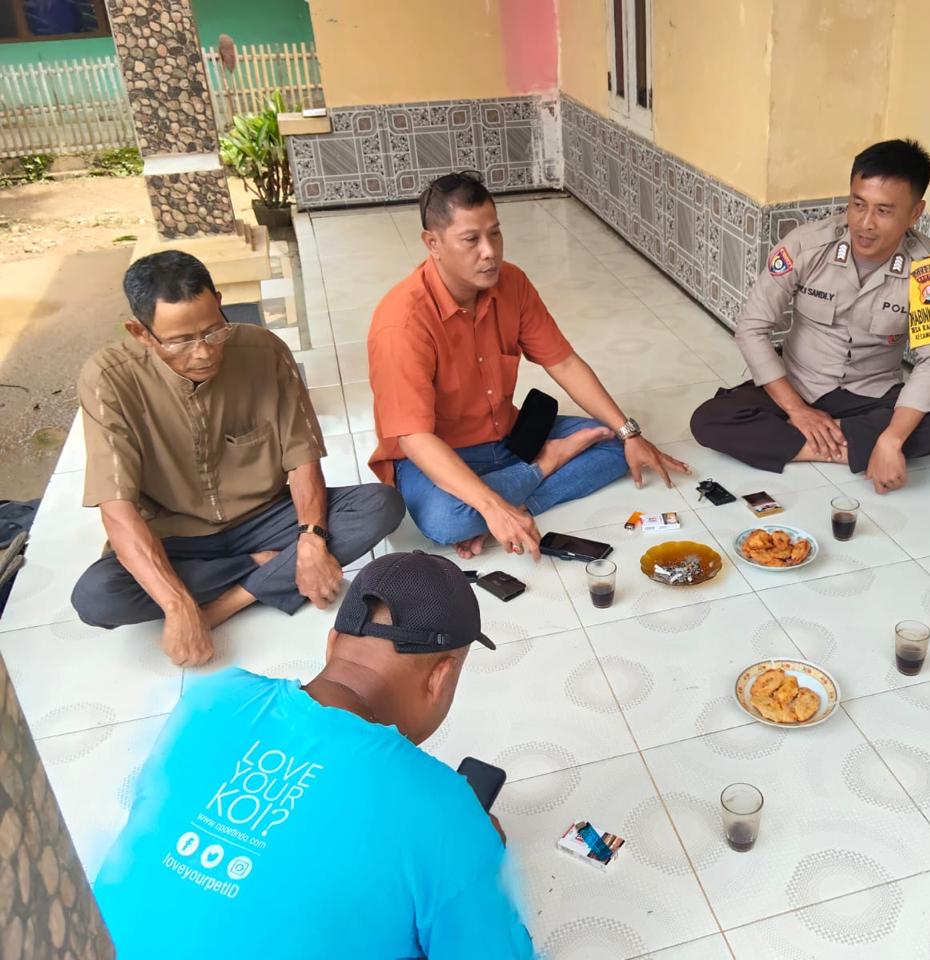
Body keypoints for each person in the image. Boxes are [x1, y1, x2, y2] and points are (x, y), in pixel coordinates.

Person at [93, 551, 535, 959]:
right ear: (441, 677)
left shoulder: (211, 698)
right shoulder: (443, 809)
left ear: (332, 642)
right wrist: (472, 858)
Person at [70, 251, 405, 666]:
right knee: (97, 596)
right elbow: (117, 508)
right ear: (140, 332)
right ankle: (264, 570)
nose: (203, 353)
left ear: (220, 303)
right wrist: (176, 604)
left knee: (380, 505)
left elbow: (301, 459)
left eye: (214, 331)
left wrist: (311, 537)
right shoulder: (109, 379)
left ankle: (230, 600)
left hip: (266, 520)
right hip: (176, 537)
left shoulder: (264, 351)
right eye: (180, 341)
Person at [367, 171, 690, 560]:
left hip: (508, 437)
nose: (489, 251)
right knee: (447, 521)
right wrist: (502, 498)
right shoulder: (402, 322)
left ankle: (503, 503)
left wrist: (629, 432)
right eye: (471, 239)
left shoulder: (512, 283)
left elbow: (564, 362)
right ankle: (543, 466)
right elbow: (415, 439)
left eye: (495, 234)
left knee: (614, 445)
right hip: (435, 455)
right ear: (432, 243)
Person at [690, 139, 930, 494]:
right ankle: (853, 448)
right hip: (799, 382)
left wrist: (892, 439)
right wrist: (798, 411)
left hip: (872, 391)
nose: (865, 223)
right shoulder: (806, 245)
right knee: (708, 420)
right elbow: (751, 329)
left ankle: (826, 443)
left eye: (883, 211)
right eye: (858, 204)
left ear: (915, 213)